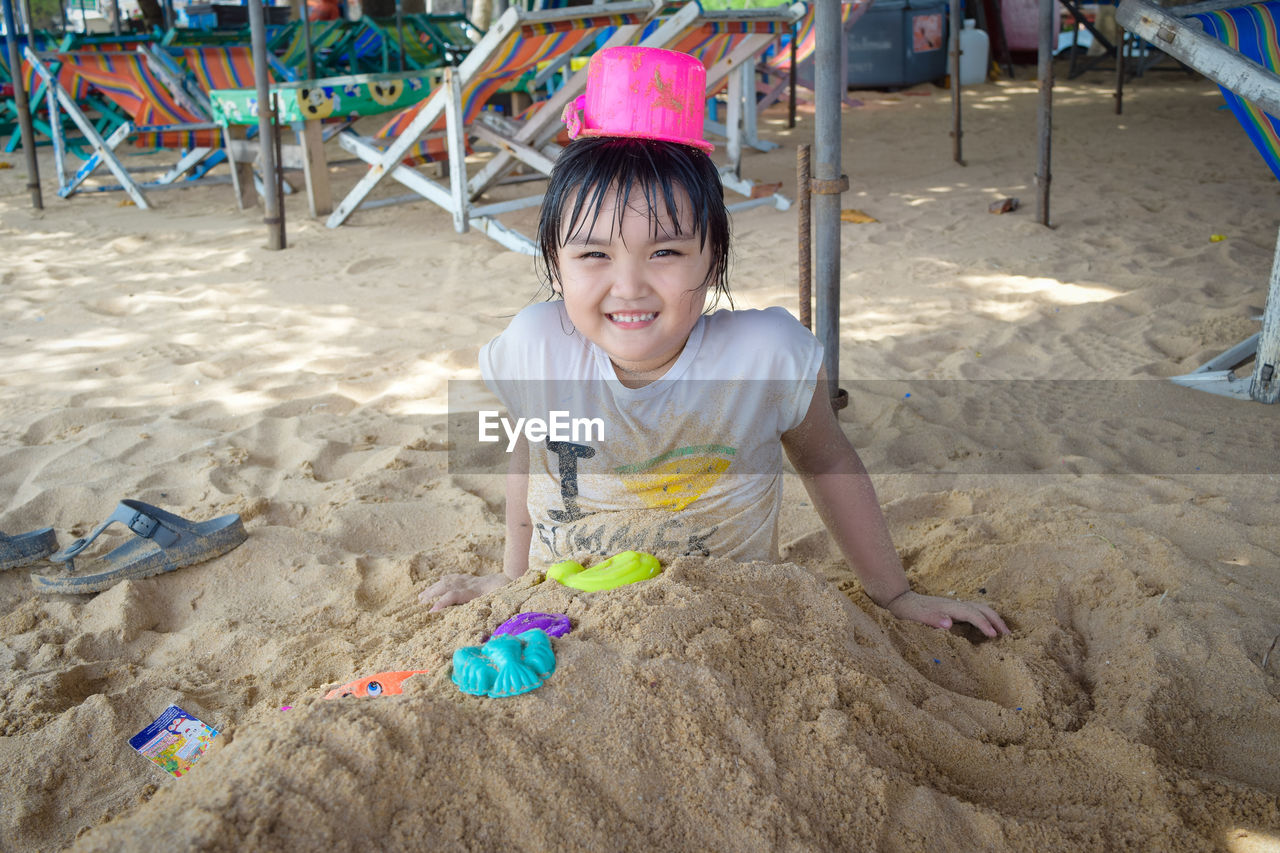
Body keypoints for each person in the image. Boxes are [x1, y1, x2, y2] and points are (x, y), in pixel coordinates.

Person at [421, 47, 1007, 639]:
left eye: (666, 252)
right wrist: (514, 578)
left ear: (714, 256)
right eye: (593, 254)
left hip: (729, 631)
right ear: (555, 260)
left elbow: (828, 460)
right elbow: (533, 453)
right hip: (566, 623)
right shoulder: (535, 346)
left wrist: (896, 594)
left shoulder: (764, 356)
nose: (629, 287)